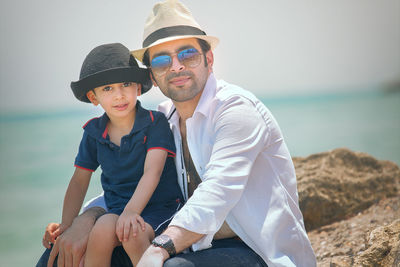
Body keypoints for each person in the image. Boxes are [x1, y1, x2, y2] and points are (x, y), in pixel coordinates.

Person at [37, 1, 317, 266]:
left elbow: (216, 193)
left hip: (253, 248)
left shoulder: (235, 111)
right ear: (152, 76)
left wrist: (161, 248)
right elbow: (126, 184)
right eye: (161, 61)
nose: (176, 66)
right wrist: (84, 220)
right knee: (57, 258)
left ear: (209, 58)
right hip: (191, 243)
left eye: (188, 54)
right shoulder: (164, 117)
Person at [38, 42, 183, 267]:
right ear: (93, 97)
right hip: (116, 211)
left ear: (138, 88)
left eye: (126, 84)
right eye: (107, 89)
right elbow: (79, 181)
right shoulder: (94, 132)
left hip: (159, 208)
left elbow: (152, 173)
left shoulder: (155, 123)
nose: (119, 95)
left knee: (131, 233)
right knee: (103, 228)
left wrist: (131, 212)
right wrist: (67, 225)